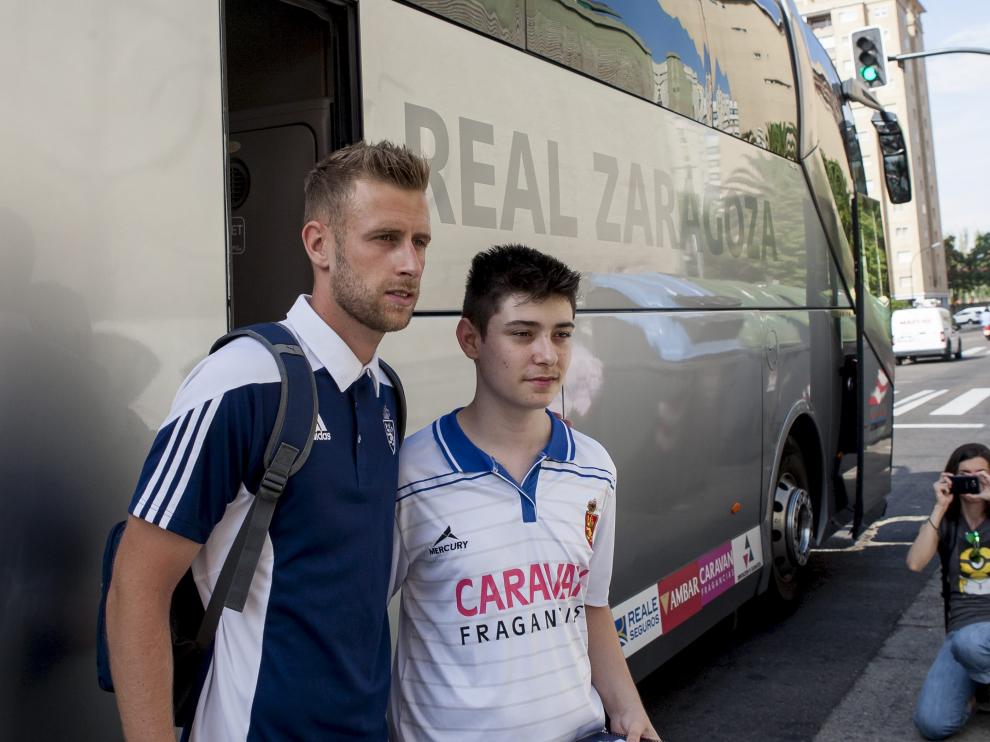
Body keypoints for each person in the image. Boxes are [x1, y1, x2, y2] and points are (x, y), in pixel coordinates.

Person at [106, 140, 431, 741]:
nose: (409, 263)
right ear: (319, 245)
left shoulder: (386, 389)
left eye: (420, 242)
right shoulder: (244, 380)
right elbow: (136, 589)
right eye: (385, 238)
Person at [388, 245, 660, 742]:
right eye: (522, 333)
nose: (547, 355)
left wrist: (628, 711)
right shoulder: (409, 475)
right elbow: (357, 623)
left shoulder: (594, 468)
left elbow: (590, 606)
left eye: (561, 335)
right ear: (470, 339)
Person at [907, 442, 990, 740]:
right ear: (951, 478)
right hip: (962, 638)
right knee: (932, 723)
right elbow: (916, 563)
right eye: (964, 474)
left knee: (973, 642)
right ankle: (980, 691)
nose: (973, 480)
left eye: (981, 473)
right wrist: (939, 507)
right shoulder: (948, 522)